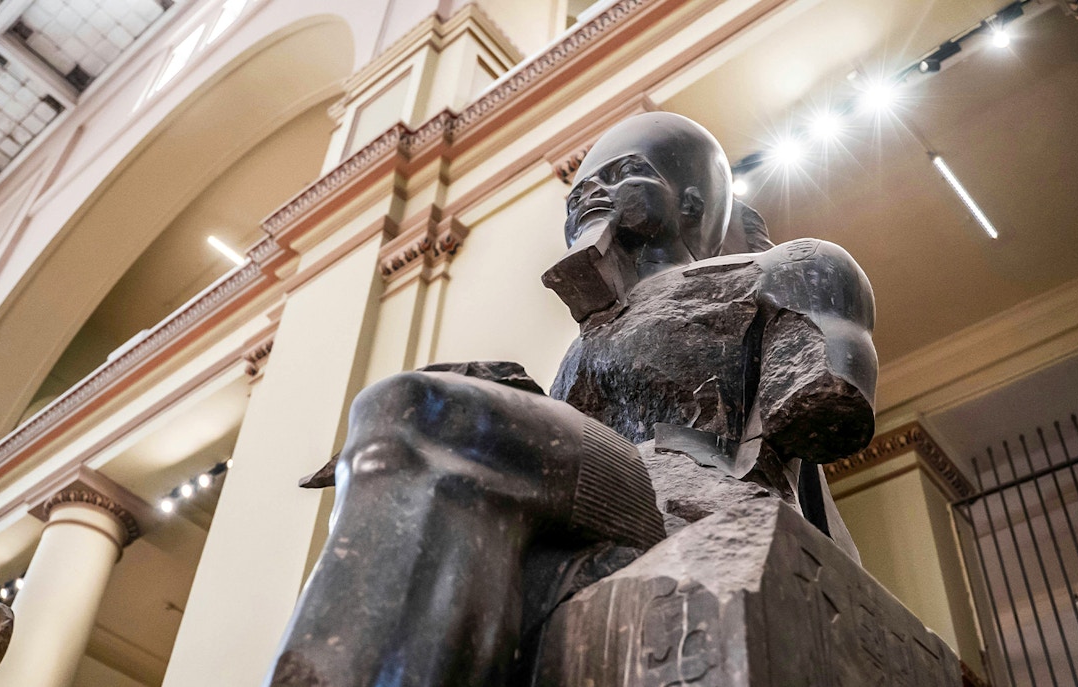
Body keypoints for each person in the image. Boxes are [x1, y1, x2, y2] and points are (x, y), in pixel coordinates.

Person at [267, 113, 877, 687]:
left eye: (623, 173)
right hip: (608, 495)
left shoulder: (781, 269)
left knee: (421, 406)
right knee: (421, 432)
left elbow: (824, 405)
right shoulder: (593, 333)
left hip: (694, 490)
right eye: (582, 186)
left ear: (692, 202)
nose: (592, 193)